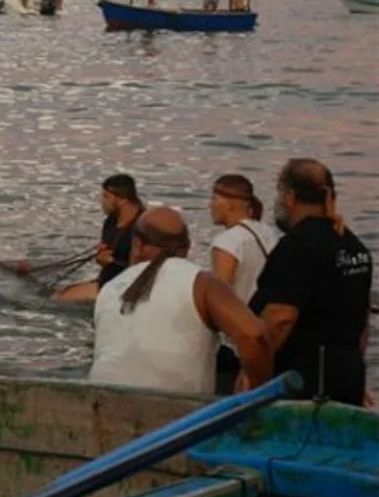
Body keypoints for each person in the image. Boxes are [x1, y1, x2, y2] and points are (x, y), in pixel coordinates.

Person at [90, 207, 274, 394]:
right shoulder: (202, 284)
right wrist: (255, 391)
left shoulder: (108, 289)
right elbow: (254, 336)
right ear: (187, 248)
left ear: (137, 245)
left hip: (99, 407)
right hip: (178, 415)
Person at [250, 159, 373, 406]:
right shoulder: (354, 246)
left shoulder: (296, 247)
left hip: (303, 384)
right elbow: (361, 325)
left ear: (290, 197)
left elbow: (280, 318)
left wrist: (253, 378)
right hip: (348, 377)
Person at [209, 174, 280, 394]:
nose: (210, 205)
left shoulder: (227, 242)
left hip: (238, 343)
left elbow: (221, 297)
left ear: (230, 204)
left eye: (214, 199)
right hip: (269, 334)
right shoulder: (270, 234)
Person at [54, 174, 144, 303]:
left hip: (127, 289)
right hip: (108, 282)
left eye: (106, 196)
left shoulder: (144, 227)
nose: (102, 201)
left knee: (58, 299)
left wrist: (112, 262)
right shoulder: (111, 222)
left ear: (122, 199)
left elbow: (147, 267)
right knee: (60, 293)